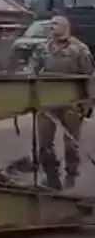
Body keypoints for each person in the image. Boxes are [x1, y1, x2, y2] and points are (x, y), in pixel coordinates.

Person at [28, 15, 95, 189]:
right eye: (50, 24)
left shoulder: (79, 49)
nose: (52, 26)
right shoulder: (43, 48)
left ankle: (72, 175)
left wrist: (89, 101)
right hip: (48, 101)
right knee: (44, 142)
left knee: (71, 142)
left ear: (66, 27)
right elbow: (31, 70)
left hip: (72, 101)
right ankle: (51, 173)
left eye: (56, 24)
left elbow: (90, 76)